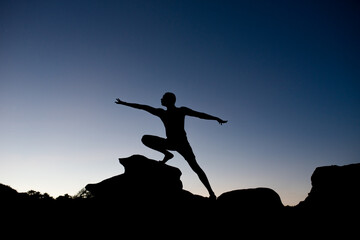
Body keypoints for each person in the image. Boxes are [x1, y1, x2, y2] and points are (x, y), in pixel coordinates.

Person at [115, 92, 227, 199]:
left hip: (183, 145)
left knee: (195, 167)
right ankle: (167, 154)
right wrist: (124, 103)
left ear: (169, 100)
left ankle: (211, 193)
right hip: (170, 143)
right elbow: (142, 107)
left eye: (163, 97)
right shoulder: (162, 112)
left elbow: (199, 115)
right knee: (145, 138)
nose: (161, 99)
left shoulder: (181, 110)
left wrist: (216, 118)